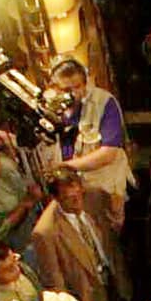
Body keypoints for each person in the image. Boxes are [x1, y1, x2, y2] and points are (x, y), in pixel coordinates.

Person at [30, 168, 130, 301]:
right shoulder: (45, 232)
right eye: (69, 198)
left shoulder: (95, 197)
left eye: (78, 194)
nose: (77, 201)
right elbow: (56, 283)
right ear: (56, 198)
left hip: (116, 284)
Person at [47, 55, 134, 226]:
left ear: (85, 83)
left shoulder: (104, 102)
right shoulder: (49, 106)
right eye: (65, 90)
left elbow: (108, 153)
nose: (73, 94)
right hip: (70, 193)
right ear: (54, 88)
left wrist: (68, 166)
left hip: (104, 192)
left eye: (78, 87)